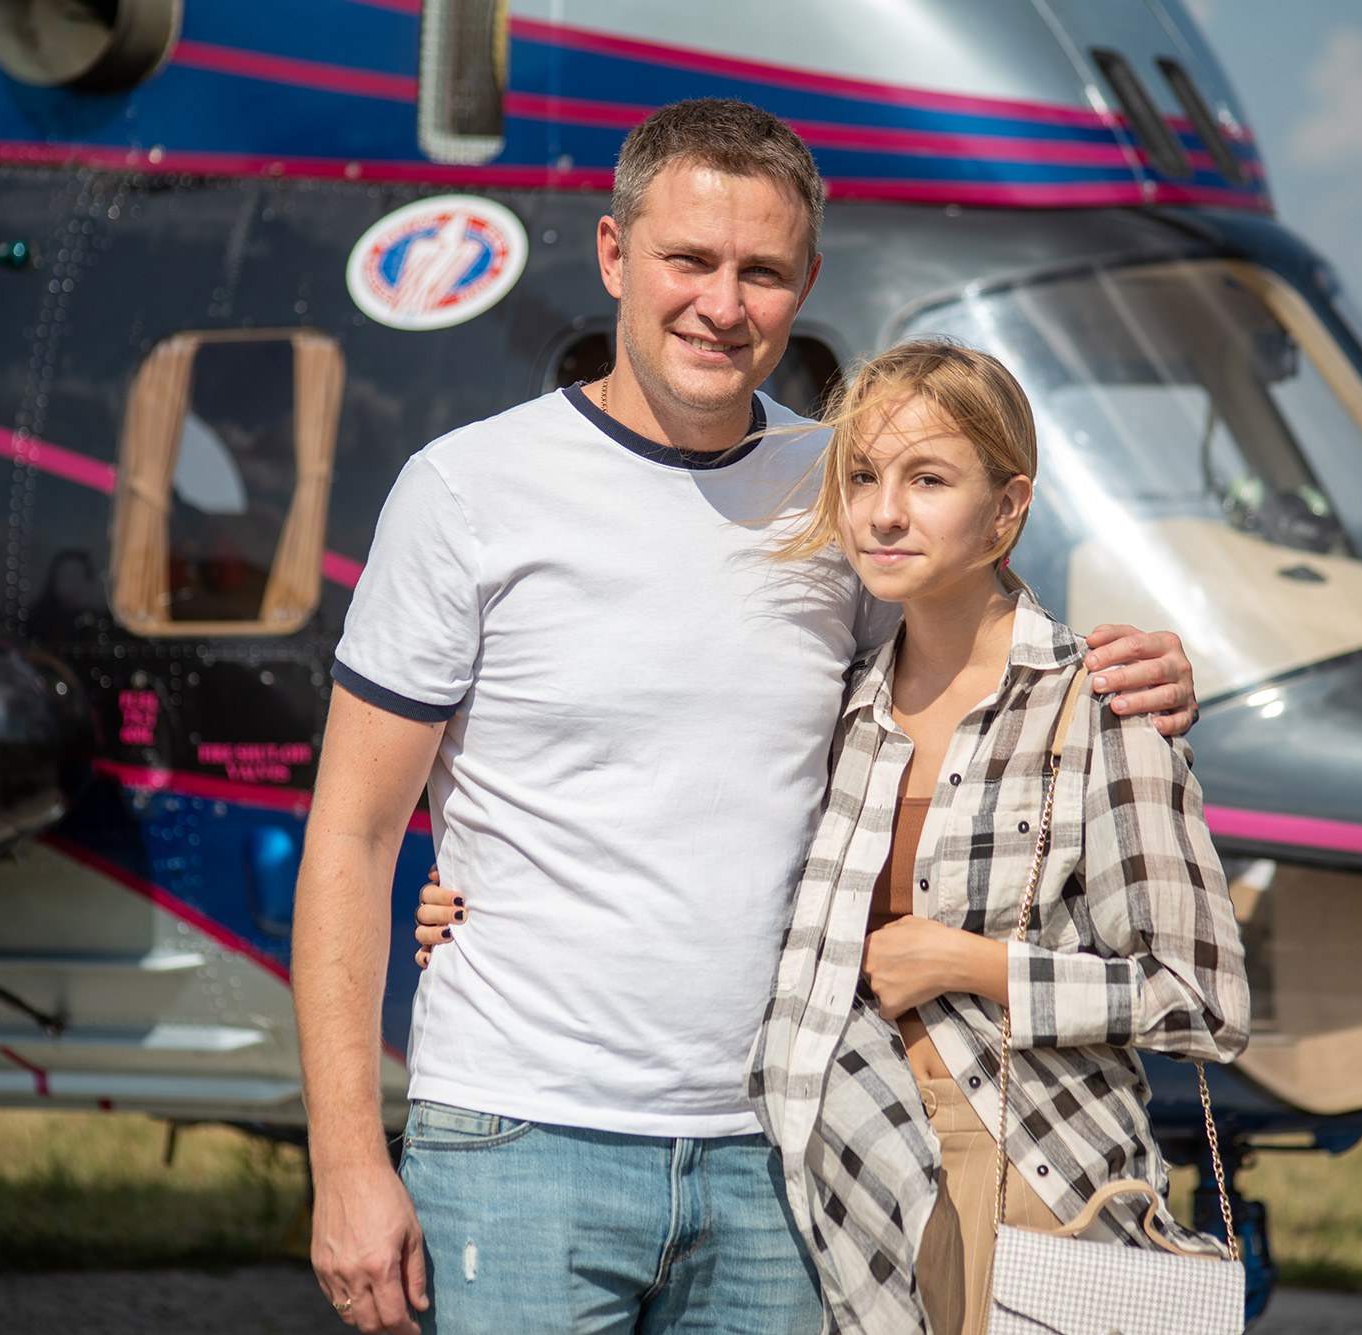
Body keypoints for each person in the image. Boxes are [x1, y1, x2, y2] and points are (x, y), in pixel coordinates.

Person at [295, 99, 1199, 1335]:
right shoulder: (464, 493)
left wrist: (1129, 674)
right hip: (518, 1138)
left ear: (804, 284)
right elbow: (349, 836)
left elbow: (978, 694)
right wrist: (347, 1162)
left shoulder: (843, 497)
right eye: (689, 260)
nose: (721, 305)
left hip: (785, 1151)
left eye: (761, 272)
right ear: (614, 254)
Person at [747, 341, 1249, 1335]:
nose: (883, 513)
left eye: (928, 479)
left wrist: (967, 963)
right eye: (862, 476)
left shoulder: (1096, 708)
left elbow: (1204, 1001)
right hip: (842, 1165)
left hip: (1033, 1169)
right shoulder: (837, 712)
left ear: (1007, 509)